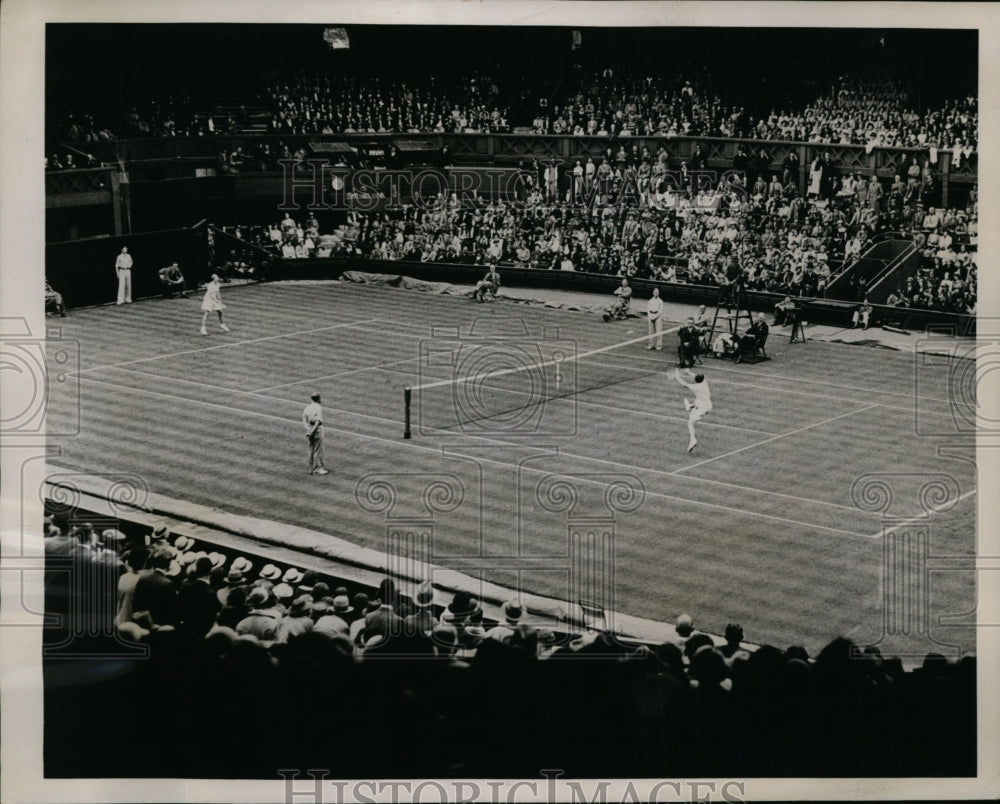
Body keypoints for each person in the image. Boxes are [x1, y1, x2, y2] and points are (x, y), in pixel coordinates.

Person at [674, 369, 712, 453]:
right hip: (708, 403)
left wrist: (677, 377)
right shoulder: (704, 382)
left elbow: (684, 384)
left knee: (690, 422)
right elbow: (695, 376)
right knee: (698, 398)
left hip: (702, 406)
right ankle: (691, 406)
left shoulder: (696, 387)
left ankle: (693, 440)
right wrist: (688, 372)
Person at [302, 392, 328, 476]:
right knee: (318, 449)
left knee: (311, 449)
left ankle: (310, 468)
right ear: (318, 399)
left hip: (310, 428)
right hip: (317, 430)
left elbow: (304, 421)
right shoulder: (318, 408)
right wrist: (312, 431)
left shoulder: (307, 407)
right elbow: (317, 421)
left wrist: (308, 430)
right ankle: (318, 468)